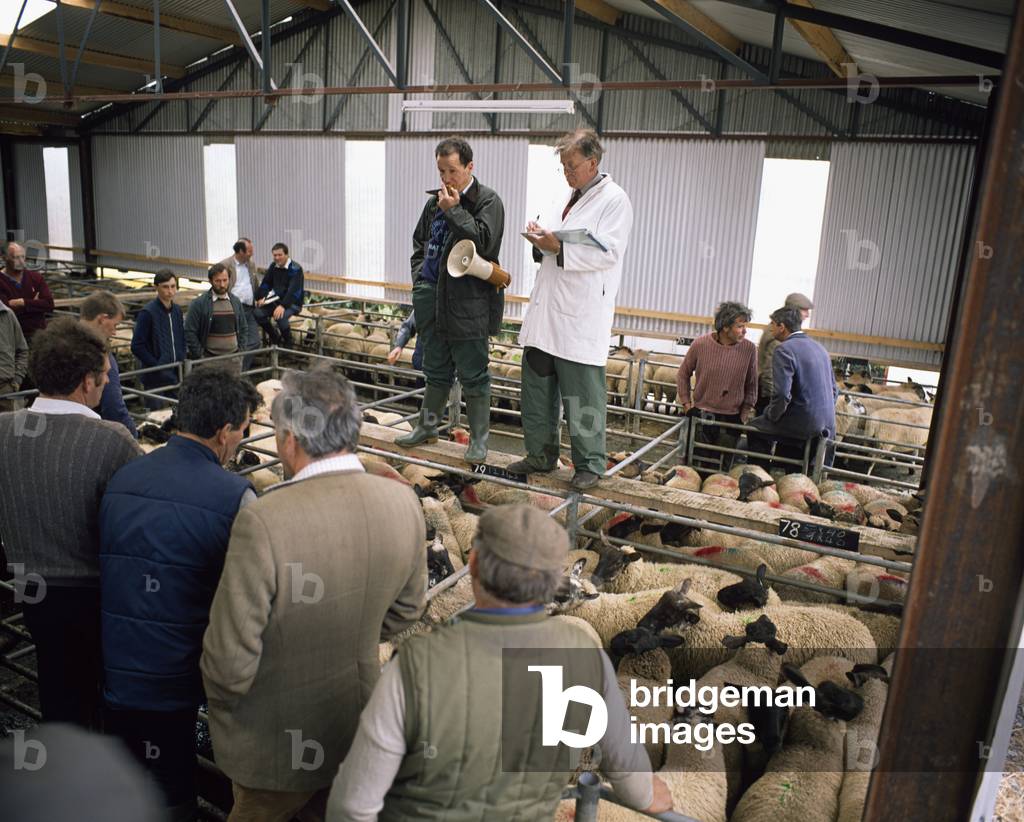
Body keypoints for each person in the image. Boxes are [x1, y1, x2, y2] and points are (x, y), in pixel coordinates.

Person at [327, 504, 671, 821]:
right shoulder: (586, 659)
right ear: (556, 580)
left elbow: (352, 806)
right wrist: (646, 794)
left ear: (473, 563)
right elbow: (630, 775)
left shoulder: (414, 666)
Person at [201, 366, 427, 822]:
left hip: (274, 744)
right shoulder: (402, 501)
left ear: (288, 438)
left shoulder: (265, 520)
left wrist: (229, 712)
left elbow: (228, 659)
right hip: (355, 728)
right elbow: (407, 610)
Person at [100, 368, 260, 821]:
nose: (242, 443)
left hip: (117, 667)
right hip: (178, 677)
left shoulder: (124, 478)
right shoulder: (235, 497)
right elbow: (251, 590)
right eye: (244, 431)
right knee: (174, 789)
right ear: (224, 431)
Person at [0, 319, 141, 729]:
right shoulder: (111, 440)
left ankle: (63, 773)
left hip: (31, 592)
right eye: (105, 377)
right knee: (105, 695)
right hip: (96, 596)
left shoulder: (3, 431)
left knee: (58, 691)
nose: (106, 384)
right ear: (86, 382)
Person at [514, 129, 634, 490]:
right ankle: (540, 455)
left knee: (582, 395)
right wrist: (540, 240)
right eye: (563, 166)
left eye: (572, 165)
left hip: (580, 314)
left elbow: (608, 251)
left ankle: (589, 464)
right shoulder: (565, 196)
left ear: (593, 162)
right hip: (546, 310)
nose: (566, 172)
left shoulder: (615, 201)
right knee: (537, 390)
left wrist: (557, 247)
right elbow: (552, 240)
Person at [395, 136, 505, 465]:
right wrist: (421, 281)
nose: (445, 178)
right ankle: (427, 427)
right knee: (436, 369)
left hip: (468, 302)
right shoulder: (433, 203)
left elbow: (483, 243)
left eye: (452, 171)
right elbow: (419, 242)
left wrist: (454, 210)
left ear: (470, 167)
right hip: (432, 297)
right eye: (441, 170)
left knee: (473, 372)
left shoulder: (488, 201)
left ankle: (479, 441)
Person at [748, 306, 838, 467]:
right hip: (828, 424)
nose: (771, 329)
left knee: (755, 427)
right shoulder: (820, 348)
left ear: (782, 327)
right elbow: (834, 391)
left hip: (805, 422)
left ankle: (759, 475)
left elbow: (782, 394)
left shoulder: (784, 349)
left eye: (773, 324)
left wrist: (772, 415)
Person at [676, 301, 758, 471]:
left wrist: (744, 414)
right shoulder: (700, 345)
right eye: (740, 326)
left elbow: (752, 384)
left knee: (721, 469)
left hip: (731, 418)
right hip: (701, 415)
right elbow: (683, 374)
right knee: (696, 465)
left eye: (745, 326)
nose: (745, 331)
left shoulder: (749, 349)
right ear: (725, 327)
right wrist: (686, 404)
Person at [80, 291, 138, 437]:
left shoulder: (60, 343)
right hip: (93, 431)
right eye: (115, 325)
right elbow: (113, 406)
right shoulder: (101, 355)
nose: (115, 332)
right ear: (102, 319)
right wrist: (133, 436)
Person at [131, 270, 186, 410]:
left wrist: (182, 357)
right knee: (156, 414)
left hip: (175, 371)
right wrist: (156, 365)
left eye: (173, 286)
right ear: (156, 287)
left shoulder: (177, 311)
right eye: (165, 287)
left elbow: (180, 337)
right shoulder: (147, 313)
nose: (170, 291)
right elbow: (137, 345)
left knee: (179, 410)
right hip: (155, 376)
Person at [184, 263, 252, 373]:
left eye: (225, 280)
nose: (222, 284)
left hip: (233, 359)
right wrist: (201, 357)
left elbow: (243, 327)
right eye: (218, 281)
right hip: (209, 360)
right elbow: (189, 331)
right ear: (210, 281)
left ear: (229, 279)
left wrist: (241, 353)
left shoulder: (235, 301)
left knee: (233, 389)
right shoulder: (199, 304)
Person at [756, 292, 813, 414]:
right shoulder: (778, 334)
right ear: (794, 311)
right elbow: (770, 370)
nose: (807, 315)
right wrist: (776, 403)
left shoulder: (783, 331)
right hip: (771, 396)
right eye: (804, 310)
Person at [0, 240, 54, 345]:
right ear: (4, 258)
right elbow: (7, 313)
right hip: (12, 339)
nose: (21, 261)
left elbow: (49, 304)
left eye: (23, 257)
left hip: (38, 337)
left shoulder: (36, 278)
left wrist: (22, 302)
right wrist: (35, 305)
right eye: (16, 257)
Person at [253, 242, 304, 348]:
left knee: (280, 316)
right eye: (275, 255)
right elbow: (266, 283)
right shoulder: (273, 266)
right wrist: (261, 297)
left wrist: (282, 306)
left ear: (286, 255)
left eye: (279, 255)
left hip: (292, 302)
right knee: (257, 313)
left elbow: (293, 291)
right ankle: (274, 336)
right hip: (275, 300)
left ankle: (288, 343)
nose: (277, 258)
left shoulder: (295, 269)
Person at [221, 237, 261, 367]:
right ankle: (235, 372)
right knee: (234, 342)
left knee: (254, 341)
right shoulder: (225, 265)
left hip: (249, 308)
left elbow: (255, 283)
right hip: (232, 309)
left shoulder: (251, 264)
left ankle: (240, 370)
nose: (252, 254)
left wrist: (259, 297)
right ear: (240, 251)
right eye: (249, 251)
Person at [0, 297, 28, 411]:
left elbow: (23, 350)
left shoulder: (7, 314)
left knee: (12, 428)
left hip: (6, 390)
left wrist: (16, 381)